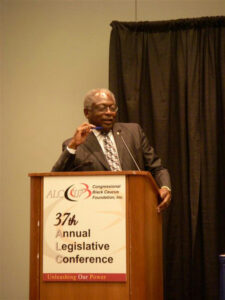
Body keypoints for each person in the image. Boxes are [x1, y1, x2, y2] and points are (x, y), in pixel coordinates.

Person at [51, 88, 172, 212]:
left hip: (135, 206)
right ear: (87, 113)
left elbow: (157, 168)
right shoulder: (76, 144)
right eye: (102, 108)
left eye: (112, 108)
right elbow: (55, 180)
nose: (109, 112)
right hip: (97, 213)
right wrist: (72, 147)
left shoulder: (133, 133)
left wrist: (165, 187)